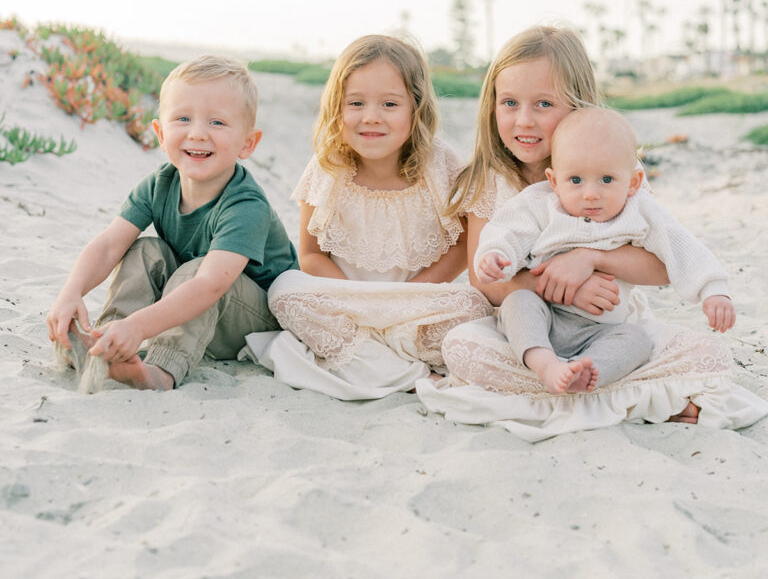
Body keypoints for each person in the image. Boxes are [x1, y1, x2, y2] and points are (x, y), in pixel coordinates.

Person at [417, 26, 768, 440]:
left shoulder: (616, 176)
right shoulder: (491, 181)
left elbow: (662, 264)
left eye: (544, 103)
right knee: (463, 345)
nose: (524, 120)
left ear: (577, 105)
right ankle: (585, 384)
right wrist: (558, 287)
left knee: (694, 351)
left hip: (609, 327)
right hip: (533, 329)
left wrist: (591, 259)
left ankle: (580, 384)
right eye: (509, 103)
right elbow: (484, 281)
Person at [243, 35, 492, 399]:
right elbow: (311, 256)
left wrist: (409, 297)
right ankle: (409, 371)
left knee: (473, 306)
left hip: (416, 306)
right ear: (337, 108)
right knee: (285, 291)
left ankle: (378, 362)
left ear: (416, 108)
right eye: (356, 103)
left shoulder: (440, 164)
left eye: (390, 104)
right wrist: (360, 301)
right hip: (349, 305)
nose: (371, 117)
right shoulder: (328, 167)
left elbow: (464, 243)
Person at [47, 55, 298, 391]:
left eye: (217, 123)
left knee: (197, 271)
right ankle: (108, 340)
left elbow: (210, 284)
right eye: (183, 118)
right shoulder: (160, 184)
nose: (198, 134)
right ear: (160, 133)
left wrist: (142, 325)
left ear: (247, 143)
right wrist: (71, 292)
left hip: (254, 318)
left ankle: (162, 370)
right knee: (144, 250)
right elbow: (109, 244)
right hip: (192, 299)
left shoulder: (245, 204)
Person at [475, 106, 734, 395]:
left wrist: (713, 289)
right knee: (518, 303)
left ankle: (586, 373)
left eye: (607, 180)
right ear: (554, 181)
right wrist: (496, 254)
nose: (590, 194)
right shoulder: (541, 204)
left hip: (603, 330)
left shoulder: (639, 211)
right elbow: (508, 230)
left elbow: (679, 243)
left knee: (635, 340)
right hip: (547, 316)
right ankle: (546, 365)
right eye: (575, 180)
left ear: (633, 182)